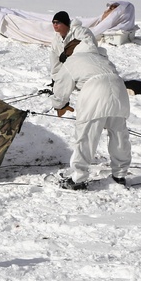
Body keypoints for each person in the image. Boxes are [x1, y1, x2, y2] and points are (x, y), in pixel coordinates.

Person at [50, 12, 132, 190]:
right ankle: (120, 175)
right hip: (119, 90)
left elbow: (61, 88)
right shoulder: (100, 57)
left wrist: (59, 105)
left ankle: (78, 179)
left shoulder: (72, 61)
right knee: (119, 135)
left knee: (86, 137)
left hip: (96, 92)